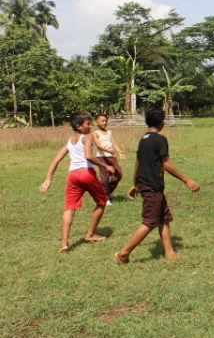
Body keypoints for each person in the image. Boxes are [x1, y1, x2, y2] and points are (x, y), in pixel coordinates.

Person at [114, 107, 200, 264]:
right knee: (149, 222)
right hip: (151, 185)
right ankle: (124, 253)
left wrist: (134, 184)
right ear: (163, 122)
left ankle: (169, 252)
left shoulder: (144, 138)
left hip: (147, 184)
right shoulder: (160, 140)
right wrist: (186, 180)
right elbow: (165, 164)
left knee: (163, 218)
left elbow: (137, 163)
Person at [39, 111, 115, 253]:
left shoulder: (69, 141)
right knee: (102, 201)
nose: (91, 126)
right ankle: (90, 234)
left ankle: (64, 243)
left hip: (73, 176)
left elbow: (56, 160)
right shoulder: (87, 138)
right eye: (88, 124)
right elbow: (88, 156)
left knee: (69, 208)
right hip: (86, 173)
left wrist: (48, 178)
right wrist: (105, 166)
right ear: (79, 126)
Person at [91, 113, 126, 205]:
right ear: (96, 122)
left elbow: (114, 143)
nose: (104, 122)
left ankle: (108, 191)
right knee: (105, 177)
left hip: (111, 157)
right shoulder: (95, 133)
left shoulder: (109, 132)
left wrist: (119, 152)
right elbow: (98, 145)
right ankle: (104, 197)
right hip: (101, 157)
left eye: (106, 121)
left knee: (118, 174)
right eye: (102, 121)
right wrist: (109, 150)